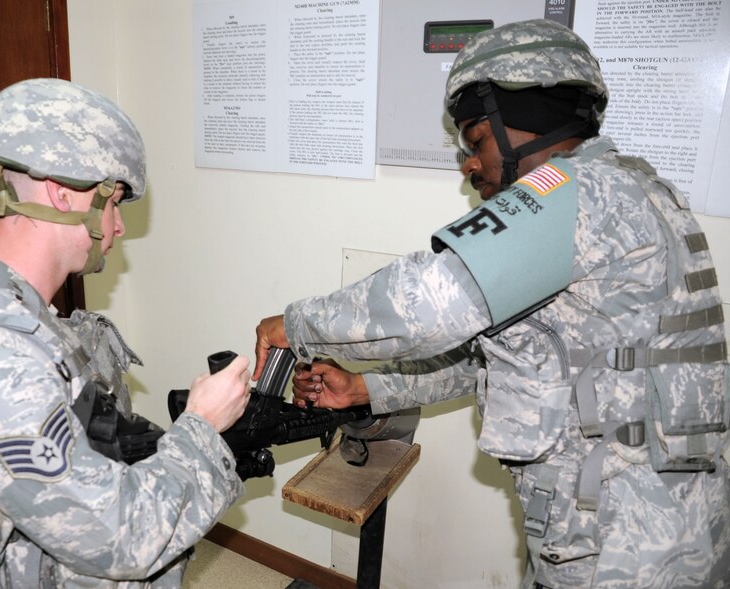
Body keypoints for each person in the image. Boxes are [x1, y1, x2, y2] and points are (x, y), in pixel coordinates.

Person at [254, 19, 729, 588]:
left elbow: (424, 304)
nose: (469, 166)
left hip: (625, 551)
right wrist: (366, 388)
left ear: (526, 120)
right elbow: (499, 356)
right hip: (639, 526)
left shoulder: (576, 194)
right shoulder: (633, 189)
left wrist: (297, 324)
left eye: (476, 141)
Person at [0, 78, 251, 588]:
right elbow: (127, 539)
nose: (117, 227)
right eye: (114, 200)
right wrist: (202, 425)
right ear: (61, 191)